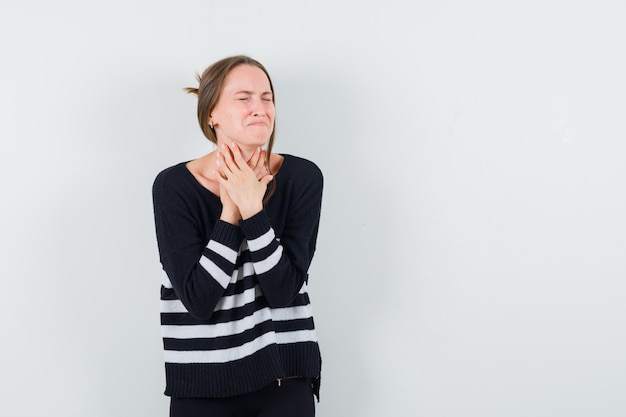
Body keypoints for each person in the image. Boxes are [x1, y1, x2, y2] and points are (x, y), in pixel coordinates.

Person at [152, 55, 323, 417]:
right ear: (211, 113)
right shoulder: (173, 187)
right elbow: (198, 300)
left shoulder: (302, 178)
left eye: (266, 97)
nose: (260, 108)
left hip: (284, 373)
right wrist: (231, 213)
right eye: (244, 98)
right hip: (202, 382)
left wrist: (254, 210)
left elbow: (283, 290)